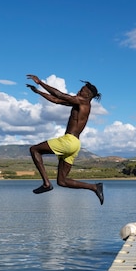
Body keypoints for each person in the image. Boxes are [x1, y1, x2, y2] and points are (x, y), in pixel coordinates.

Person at [26, 74, 104, 205]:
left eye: (82, 90)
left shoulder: (82, 101)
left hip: (68, 141)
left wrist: (40, 82)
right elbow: (56, 100)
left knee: (34, 149)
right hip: (75, 145)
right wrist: (38, 92)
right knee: (62, 181)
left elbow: (60, 94)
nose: (79, 91)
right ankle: (95, 187)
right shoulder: (80, 103)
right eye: (80, 89)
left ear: (88, 94)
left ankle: (46, 183)